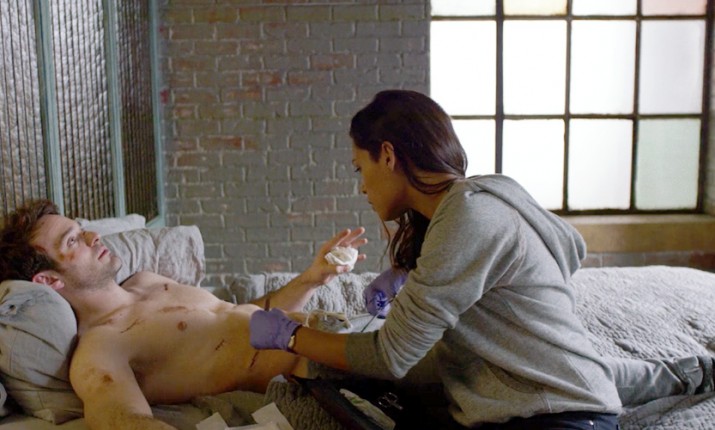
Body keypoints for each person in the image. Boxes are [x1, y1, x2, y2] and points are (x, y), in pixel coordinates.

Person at [249, 90, 714, 430]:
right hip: (551, 398)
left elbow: (391, 356)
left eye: (360, 168)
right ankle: (690, 372)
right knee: (558, 365)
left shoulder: (468, 216)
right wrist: (407, 275)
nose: (361, 186)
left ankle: (688, 373)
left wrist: (290, 335)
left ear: (387, 155)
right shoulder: (478, 202)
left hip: (557, 420)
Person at [0, 200, 367, 430]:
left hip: (334, 339)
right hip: (319, 376)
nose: (93, 236)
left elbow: (247, 317)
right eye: (72, 240)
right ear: (48, 280)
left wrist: (313, 278)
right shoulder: (100, 347)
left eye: (82, 230)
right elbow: (115, 416)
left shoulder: (146, 280)